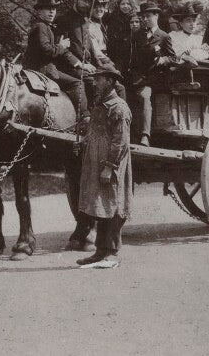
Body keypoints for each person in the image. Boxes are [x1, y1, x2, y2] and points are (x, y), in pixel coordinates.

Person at [76, 63, 132, 269]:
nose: (95, 82)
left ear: (110, 81)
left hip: (111, 164)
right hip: (96, 163)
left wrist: (110, 166)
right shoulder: (100, 105)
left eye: (99, 79)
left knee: (113, 205)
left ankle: (113, 253)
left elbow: (121, 141)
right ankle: (100, 251)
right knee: (100, 205)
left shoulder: (119, 107)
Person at [22, 0, 87, 116]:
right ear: (39, 11)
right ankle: (83, 118)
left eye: (54, 9)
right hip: (42, 70)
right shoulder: (40, 27)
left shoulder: (45, 26)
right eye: (48, 9)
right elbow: (46, 50)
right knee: (78, 83)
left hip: (42, 68)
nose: (52, 12)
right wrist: (61, 46)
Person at [129, 0, 177, 146]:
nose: (145, 19)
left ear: (156, 16)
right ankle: (129, 133)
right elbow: (133, 58)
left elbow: (173, 57)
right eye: (143, 17)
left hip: (156, 77)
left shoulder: (164, 36)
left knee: (145, 96)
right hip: (139, 76)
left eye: (148, 16)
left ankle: (145, 135)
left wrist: (163, 60)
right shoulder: (137, 36)